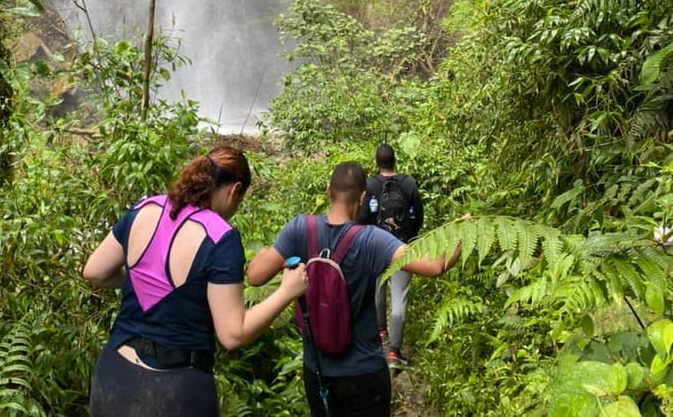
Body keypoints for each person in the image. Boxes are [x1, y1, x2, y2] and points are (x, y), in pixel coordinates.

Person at [83, 146, 308, 417]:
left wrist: (150, 282)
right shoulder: (220, 238)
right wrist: (286, 291)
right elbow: (232, 334)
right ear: (234, 190)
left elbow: (94, 271)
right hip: (175, 391)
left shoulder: (146, 207)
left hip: (113, 376)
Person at [247, 160, 463, 417]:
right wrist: (462, 231)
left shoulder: (300, 228)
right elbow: (435, 266)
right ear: (362, 197)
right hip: (364, 373)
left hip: (316, 372)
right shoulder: (372, 240)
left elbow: (255, 276)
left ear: (328, 191)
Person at [360, 142, 423, 369]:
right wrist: (409, 238)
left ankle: (380, 330)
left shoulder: (370, 185)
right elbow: (418, 217)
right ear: (395, 160)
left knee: (378, 287)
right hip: (403, 247)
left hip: (377, 246)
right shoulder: (409, 183)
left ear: (377, 163)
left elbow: (362, 216)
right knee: (400, 297)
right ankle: (395, 353)